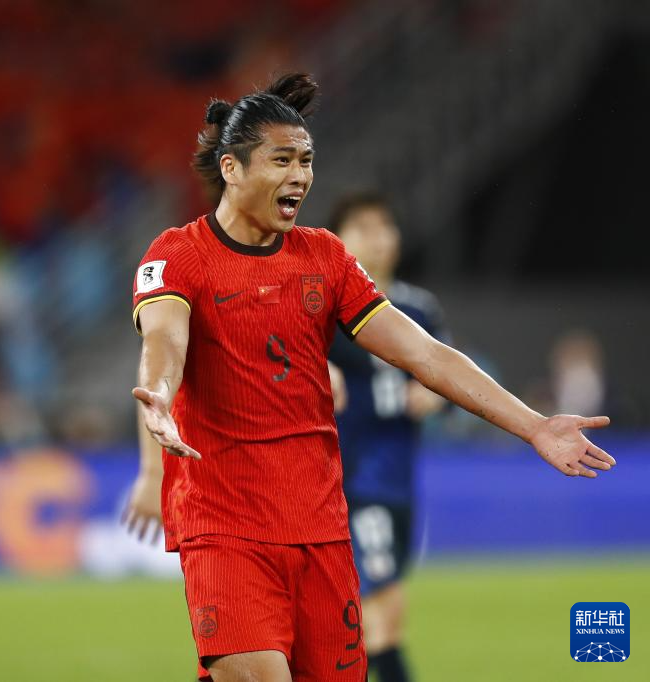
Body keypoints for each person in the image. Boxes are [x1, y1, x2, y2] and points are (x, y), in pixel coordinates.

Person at [131, 73, 615, 682]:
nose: (301, 176)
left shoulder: (325, 258)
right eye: (282, 160)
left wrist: (536, 426)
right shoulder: (177, 254)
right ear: (231, 168)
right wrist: (161, 395)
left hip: (321, 528)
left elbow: (427, 356)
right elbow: (165, 338)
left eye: (306, 160)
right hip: (224, 526)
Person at [327, 192, 447, 682]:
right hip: (352, 479)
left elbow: (445, 374)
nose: (377, 239)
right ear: (337, 239)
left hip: (399, 478)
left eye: (384, 227)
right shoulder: (324, 310)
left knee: (376, 617)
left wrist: (435, 395)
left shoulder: (420, 308)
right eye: (362, 228)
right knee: (381, 612)